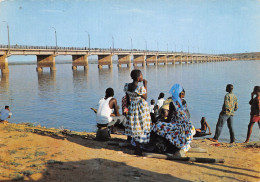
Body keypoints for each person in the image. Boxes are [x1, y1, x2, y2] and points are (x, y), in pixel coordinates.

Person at [152, 84, 195, 153]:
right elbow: (187, 115)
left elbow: (169, 119)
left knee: (158, 126)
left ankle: (168, 144)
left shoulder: (173, 103)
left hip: (178, 125)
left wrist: (163, 121)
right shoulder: (184, 102)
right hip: (188, 125)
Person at [124, 69, 151, 155]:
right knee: (141, 126)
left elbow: (128, 100)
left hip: (132, 106)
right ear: (137, 77)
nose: (142, 77)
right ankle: (139, 147)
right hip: (140, 108)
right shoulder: (140, 88)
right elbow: (145, 97)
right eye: (141, 75)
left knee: (135, 127)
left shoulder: (127, 86)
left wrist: (130, 105)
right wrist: (145, 85)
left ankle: (137, 147)